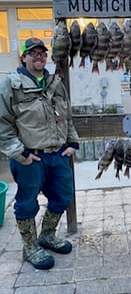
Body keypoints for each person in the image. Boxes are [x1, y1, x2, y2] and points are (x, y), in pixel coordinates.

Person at [0, 37, 79, 270]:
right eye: (32, 53)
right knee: (26, 203)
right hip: (30, 157)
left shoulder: (55, 82)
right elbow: (2, 124)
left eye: (42, 53)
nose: (38, 57)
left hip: (58, 155)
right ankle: (30, 246)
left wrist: (72, 141)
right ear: (23, 57)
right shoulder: (10, 84)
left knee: (63, 195)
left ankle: (47, 235)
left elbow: (67, 116)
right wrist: (19, 153)